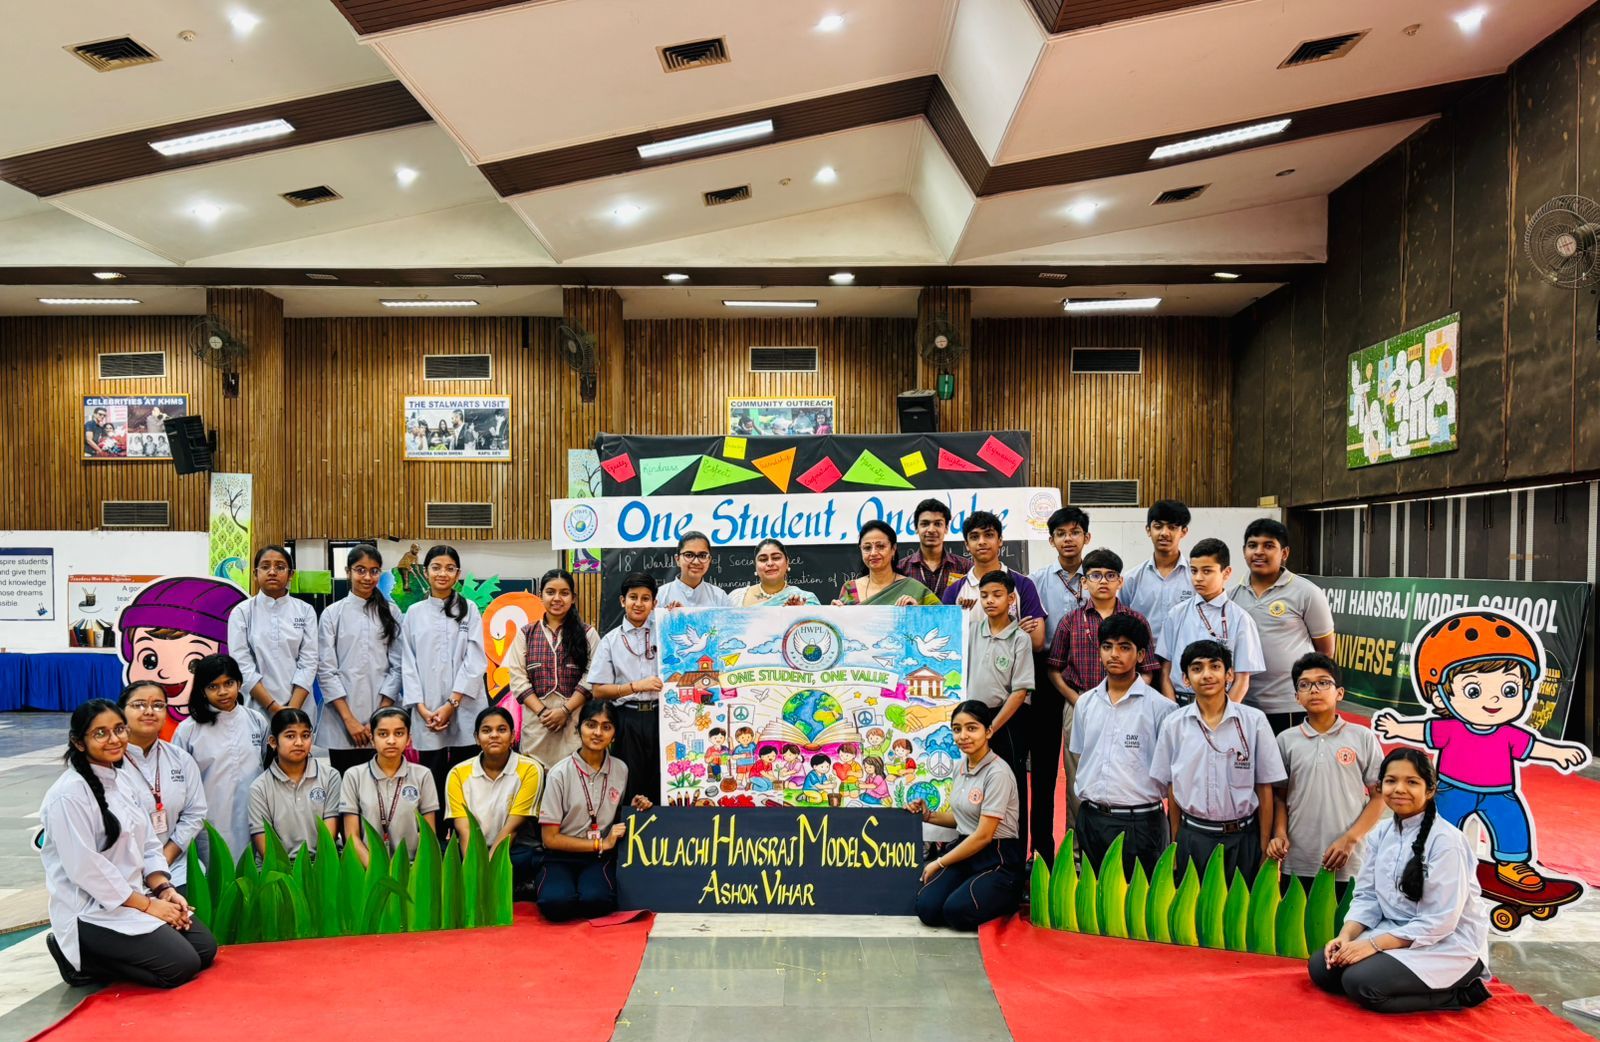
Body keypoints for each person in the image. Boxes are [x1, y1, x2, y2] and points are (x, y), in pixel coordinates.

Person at [40, 700, 217, 989]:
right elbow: (87, 870)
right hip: (91, 910)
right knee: (181, 965)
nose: (114, 739)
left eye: (119, 729)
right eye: (100, 733)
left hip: (135, 896)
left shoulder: (121, 780)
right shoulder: (68, 795)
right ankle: (81, 959)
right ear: (79, 742)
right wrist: (149, 906)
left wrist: (164, 890)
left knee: (204, 949)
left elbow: (147, 843)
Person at [1309, 749, 1493, 1014]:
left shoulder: (1446, 841)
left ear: (1430, 790)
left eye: (1412, 782)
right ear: (1380, 786)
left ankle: (1459, 993)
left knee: (1361, 983)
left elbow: (1441, 921)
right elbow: (1367, 896)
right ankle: (1380, 968)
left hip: (1445, 943)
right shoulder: (1380, 833)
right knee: (1322, 969)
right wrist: (1346, 937)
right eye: (1391, 780)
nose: (1399, 789)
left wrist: (1372, 945)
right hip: (1392, 932)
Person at [1043, 547, 1156, 860]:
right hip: (1079, 705)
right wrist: (1079, 701)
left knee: (1126, 773)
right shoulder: (1071, 621)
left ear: (1120, 581)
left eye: (1110, 575)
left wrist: (1128, 698)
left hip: (1129, 709)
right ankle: (1078, 853)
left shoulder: (1136, 621)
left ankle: (1122, 848)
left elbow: (1148, 670)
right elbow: (1054, 668)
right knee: (1079, 778)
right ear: (1084, 582)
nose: (1102, 581)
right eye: (1095, 575)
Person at [1149, 640, 1286, 881]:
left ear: (1229, 674)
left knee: (1239, 904)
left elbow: (1264, 787)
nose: (1207, 675)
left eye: (1215, 666)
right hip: (1193, 836)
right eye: (1197, 668)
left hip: (1243, 838)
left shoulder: (1254, 722)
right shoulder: (1174, 724)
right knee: (1192, 903)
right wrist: (1175, 843)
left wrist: (1264, 848)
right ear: (1186, 679)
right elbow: (1172, 787)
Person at [1070, 614, 1178, 875]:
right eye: (1107, 646)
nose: (1114, 654)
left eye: (1124, 647)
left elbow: (1174, 779)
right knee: (1094, 896)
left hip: (1141, 823)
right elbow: (1083, 756)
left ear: (1140, 655)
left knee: (1139, 898)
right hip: (1092, 819)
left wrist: (1175, 837)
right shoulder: (1085, 703)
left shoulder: (1162, 709)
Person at [1269, 654, 1385, 894]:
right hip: (1298, 861)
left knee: (1346, 919)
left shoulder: (1362, 737)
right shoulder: (1286, 740)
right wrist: (1279, 833)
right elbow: (1280, 797)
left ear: (1339, 693)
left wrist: (1350, 839)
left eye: (1323, 682)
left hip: (1349, 861)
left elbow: (1380, 796)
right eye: (1304, 685)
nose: (1314, 690)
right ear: (1297, 697)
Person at [909, 700, 1027, 930]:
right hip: (967, 850)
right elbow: (962, 818)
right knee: (927, 908)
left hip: (997, 855)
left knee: (956, 912)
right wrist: (927, 815)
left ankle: (1009, 891)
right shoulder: (960, 768)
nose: (963, 736)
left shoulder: (998, 773)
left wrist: (938, 863)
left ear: (988, 731)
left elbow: (983, 835)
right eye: (957, 729)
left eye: (972, 728)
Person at [536, 701, 654, 921]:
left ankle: (581, 891)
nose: (598, 733)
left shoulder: (620, 769)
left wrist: (637, 805)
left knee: (596, 901)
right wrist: (601, 843)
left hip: (599, 858)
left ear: (614, 735)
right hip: (560, 856)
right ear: (579, 728)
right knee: (555, 905)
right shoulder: (559, 773)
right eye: (591, 725)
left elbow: (620, 815)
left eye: (606, 727)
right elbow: (549, 839)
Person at [1229, 519, 1337, 733]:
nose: (1259, 552)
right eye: (1252, 545)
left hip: (1291, 705)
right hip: (1243, 703)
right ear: (1244, 551)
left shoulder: (1307, 593)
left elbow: (1325, 653)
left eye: (1268, 546)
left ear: (1284, 553)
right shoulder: (1231, 595)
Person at [401, 544, 488, 799]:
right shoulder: (414, 613)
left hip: (465, 706)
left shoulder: (469, 609)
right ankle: (434, 825)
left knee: (467, 780)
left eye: (450, 569)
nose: (442, 573)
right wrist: (421, 708)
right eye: (436, 567)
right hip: (427, 711)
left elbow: (475, 659)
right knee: (432, 781)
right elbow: (408, 663)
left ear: (458, 574)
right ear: (425, 571)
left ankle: (464, 825)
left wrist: (452, 703)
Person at [172, 654, 267, 864]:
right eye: (213, 686)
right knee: (215, 876)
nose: (223, 692)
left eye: (228, 683)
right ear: (202, 690)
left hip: (252, 818)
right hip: (209, 822)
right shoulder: (188, 730)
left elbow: (263, 761)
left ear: (239, 683)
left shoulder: (256, 720)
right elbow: (179, 784)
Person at [318, 544, 404, 774]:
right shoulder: (332, 614)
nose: (367, 577)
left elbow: (398, 667)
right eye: (360, 570)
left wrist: (379, 718)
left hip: (384, 719)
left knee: (384, 785)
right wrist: (349, 720)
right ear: (348, 572)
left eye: (374, 571)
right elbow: (326, 670)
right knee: (346, 787)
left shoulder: (392, 612)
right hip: (342, 721)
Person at [965, 571, 1034, 849]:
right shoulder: (971, 630)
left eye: (996, 595)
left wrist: (993, 727)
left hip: (1007, 721)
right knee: (975, 783)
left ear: (1011, 598)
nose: (989, 601)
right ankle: (976, 849)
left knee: (1010, 784)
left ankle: (1013, 854)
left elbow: (1020, 691)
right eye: (984, 596)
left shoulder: (1020, 638)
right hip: (973, 719)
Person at [118, 682, 206, 895]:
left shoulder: (180, 759)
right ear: (121, 712)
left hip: (175, 868)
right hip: (123, 875)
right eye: (139, 705)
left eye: (158, 705)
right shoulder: (109, 763)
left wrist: (164, 859)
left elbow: (195, 813)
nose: (149, 711)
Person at [506, 568, 599, 767]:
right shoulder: (526, 634)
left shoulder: (588, 634)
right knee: (536, 777)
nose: (557, 598)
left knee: (573, 777)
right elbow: (518, 679)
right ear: (541, 596)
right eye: (550, 592)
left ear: (573, 598)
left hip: (574, 722)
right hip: (537, 724)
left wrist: (565, 711)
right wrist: (542, 713)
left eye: (564, 593)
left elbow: (592, 677)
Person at [582, 572, 662, 804]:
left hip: (662, 717)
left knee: (662, 778)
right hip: (627, 718)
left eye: (646, 598)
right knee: (629, 780)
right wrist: (635, 687)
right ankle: (630, 826)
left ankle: (664, 827)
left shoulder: (666, 632)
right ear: (622, 601)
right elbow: (598, 690)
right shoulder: (610, 640)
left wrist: (677, 616)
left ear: (654, 603)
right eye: (633, 597)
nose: (639, 603)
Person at [1155, 538, 1264, 705]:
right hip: (1180, 703)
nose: (1198, 578)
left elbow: (1242, 680)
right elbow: (1165, 671)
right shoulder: (1176, 614)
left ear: (1226, 573)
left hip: (1221, 704)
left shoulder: (1241, 619)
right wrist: (1172, 711)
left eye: (1207, 571)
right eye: (1193, 571)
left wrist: (1224, 714)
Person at [445, 707, 543, 883]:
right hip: (472, 849)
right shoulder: (457, 773)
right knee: (445, 856)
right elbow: (464, 829)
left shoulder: (530, 769)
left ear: (513, 736)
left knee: (527, 858)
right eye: (486, 730)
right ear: (476, 738)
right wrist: (472, 869)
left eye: (502, 730)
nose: (494, 735)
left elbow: (511, 828)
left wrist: (488, 868)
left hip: (511, 848)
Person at [228, 545, 319, 730]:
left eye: (280, 567)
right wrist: (274, 708)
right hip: (257, 707)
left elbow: (309, 662)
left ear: (291, 574)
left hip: (300, 707)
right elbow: (242, 665)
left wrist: (292, 710)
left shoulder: (305, 611)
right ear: (255, 573)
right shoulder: (242, 612)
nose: (272, 572)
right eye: (265, 566)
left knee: (296, 748)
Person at [341, 707, 439, 864]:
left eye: (399, 733)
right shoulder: (354, 775)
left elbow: (429, 834)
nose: (391, 741)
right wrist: (377, 870)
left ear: (408, 739)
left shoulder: (423, 775)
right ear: (372, 739)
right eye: (383, 734)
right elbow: (352, 837)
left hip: (412, 867)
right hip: (368, 868)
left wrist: (414, 871)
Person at [941, 511, 1046, 651]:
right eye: (974, 537)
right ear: (967, 545)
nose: (981, 541)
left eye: (989, 535)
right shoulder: (954, 591)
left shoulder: (1023, 584)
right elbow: (947, 640)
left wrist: (969, 635)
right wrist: (1015, 630)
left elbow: (1037, 641)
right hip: (971, 665)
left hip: (1013, 665)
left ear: (1000, 540)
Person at [248, 709, 341, 861]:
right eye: (290, 736)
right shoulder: (259, 788)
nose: (299, 743)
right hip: (278, 867)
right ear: (273, 742)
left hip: (321, 862)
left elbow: (329, 836)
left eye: (305, 735)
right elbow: (264, 845)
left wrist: (316, 869)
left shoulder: (330, 776)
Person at [1120, 499, 1193, 623]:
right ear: (1148, 530)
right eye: (1158, 527)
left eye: (1172, 527)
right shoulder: (1131, 579)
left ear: (1183, 532)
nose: (1164, 533)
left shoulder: (1195, 577)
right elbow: (1120, 618)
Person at [835, 521, 941, 605]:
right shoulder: (850, 589)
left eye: (880, 546)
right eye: (867, 548)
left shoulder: (914, 588)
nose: (873, 553)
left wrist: (917, 612)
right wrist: (833, 614)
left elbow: (943, 619)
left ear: (893, 549)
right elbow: (840, 625)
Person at [896, 499, 972, 598]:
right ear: (916, 528)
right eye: (925, 524)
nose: (931, 530)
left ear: (946, 528)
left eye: (938, 524)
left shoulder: (965, 567)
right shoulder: (901, 568)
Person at [728, 538, 820, 606]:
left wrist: (800, 614)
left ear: (787, 563)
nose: (770, 563)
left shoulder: (806, 599)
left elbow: (818, 625)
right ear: (755, 566)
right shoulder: (736, 598)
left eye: (776, 558)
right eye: (763, 559)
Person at [658, 532, 730, 609]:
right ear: (677, 559)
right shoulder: (660, 596)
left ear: (709, 560)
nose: (696, 562)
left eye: (702, 556)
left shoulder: (720, 597)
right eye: (689, 555)